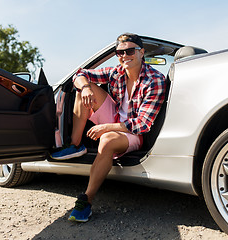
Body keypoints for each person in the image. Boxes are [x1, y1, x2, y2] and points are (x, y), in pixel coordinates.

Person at [51, 33, 166, 222]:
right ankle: (75, 145)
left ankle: (86, 200)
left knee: (106, 139)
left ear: (141, 52)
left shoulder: (154, 80)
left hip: (132, 133)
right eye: (119, 52)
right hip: (114, 119)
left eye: (130, 51)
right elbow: (80, 74)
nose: (124, 56)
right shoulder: (116, 72)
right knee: (83, 91)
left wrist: (106, 128)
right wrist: (86, 87)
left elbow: (142, 125)